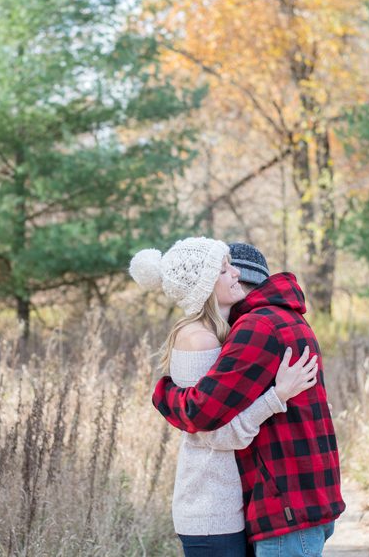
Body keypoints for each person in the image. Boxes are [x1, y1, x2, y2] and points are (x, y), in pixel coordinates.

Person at [129, 237, 319, 557]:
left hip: (234, 504)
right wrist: (278, 395)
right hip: (210, 508)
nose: (235, 274)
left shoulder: (224, 334)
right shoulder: (198, 338)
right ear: (202, 285)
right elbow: (213, 434)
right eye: (223, 270)